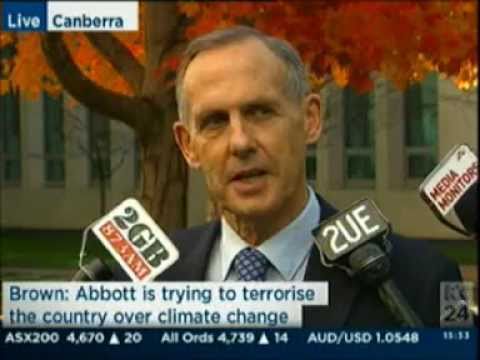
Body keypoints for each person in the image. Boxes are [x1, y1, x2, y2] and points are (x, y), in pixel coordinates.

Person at [135, 26, 463, 327]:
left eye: (260, 112)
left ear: (310, 120)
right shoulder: (146, 283)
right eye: (215, 121)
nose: (240, 142)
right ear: (187, 145)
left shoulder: (418, 281)